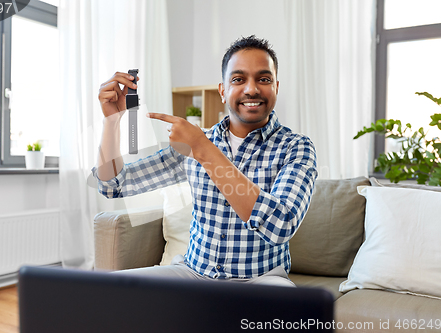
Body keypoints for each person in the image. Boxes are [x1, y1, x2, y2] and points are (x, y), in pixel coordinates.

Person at [92, 35, 317, 287]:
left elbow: (280, 225)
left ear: (276, 86)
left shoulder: (296, 147)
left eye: (263, 79)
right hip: (193, 274)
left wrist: (201, 148)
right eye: (238, 79)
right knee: (102, 290)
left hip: (262, 280)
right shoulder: (196, 141)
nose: (251, 89)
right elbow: (114, 185)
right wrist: (111, 121)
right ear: (223, 91)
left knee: (289, 312)